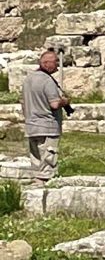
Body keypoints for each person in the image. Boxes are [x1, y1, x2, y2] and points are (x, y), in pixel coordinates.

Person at [21, 50, 70, 184]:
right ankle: (46, 192)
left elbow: (23, 102)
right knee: (48, 163)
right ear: (47, 63)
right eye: (55, 62)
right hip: (47, 126)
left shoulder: (28, 79)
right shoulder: (47, 81)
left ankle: (37, 186)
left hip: (31, 126)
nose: (57, 66)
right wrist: (65, 102)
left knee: (37, 162)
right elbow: (54, 104)